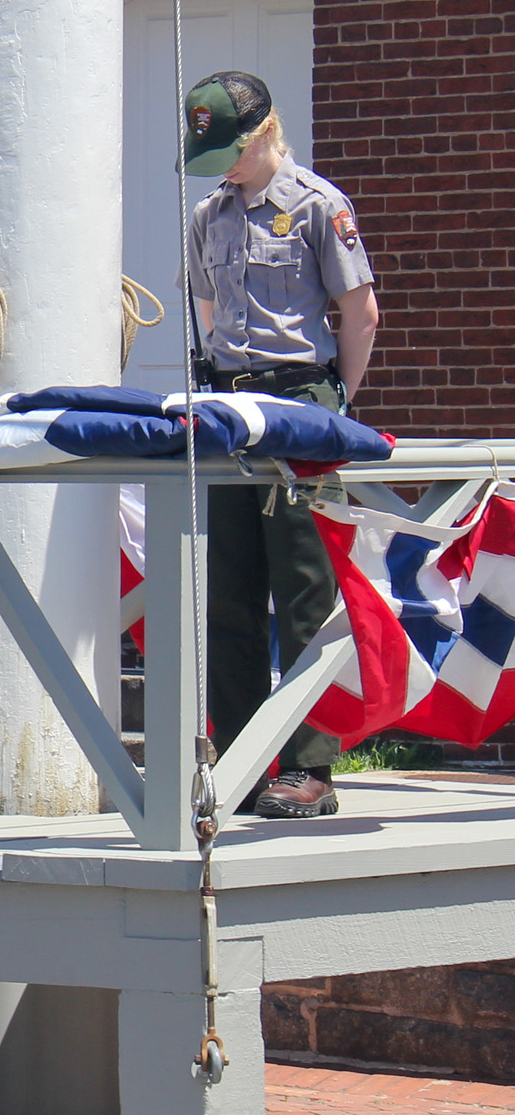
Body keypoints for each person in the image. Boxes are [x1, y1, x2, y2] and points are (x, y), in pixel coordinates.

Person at [183, 71, 378, 818]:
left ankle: (309, 766)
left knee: (305, 587)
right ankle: (239, 756)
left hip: (300, 400)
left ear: (265, 133)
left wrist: (339, 406)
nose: (221, 168)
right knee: (228, 589)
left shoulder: (317, 209)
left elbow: (359, 313)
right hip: (232, 404)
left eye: (229, 149)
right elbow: (206, 302)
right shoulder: (209, 214)